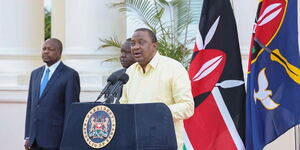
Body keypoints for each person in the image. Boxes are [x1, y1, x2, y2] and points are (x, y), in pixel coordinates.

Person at [120, 28, 194, 149]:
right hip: (135, 143)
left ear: (154, 46)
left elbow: (188, 106)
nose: (135, 47)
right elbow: (124, 105)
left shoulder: (174, 68)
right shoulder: (130, 72)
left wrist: (156, 113)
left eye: (141, 42)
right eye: (133, 43)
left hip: (164, 143)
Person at [24, 38, 80, 150]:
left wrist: (68, 140)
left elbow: (71, 110)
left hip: (55, 140)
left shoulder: (70, 75)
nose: (45, 51)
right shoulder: (35, 74)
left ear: (59, 53)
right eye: (44, 49)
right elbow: (31, 107)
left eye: (50, 49)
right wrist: (27, 135)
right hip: (34, 140)